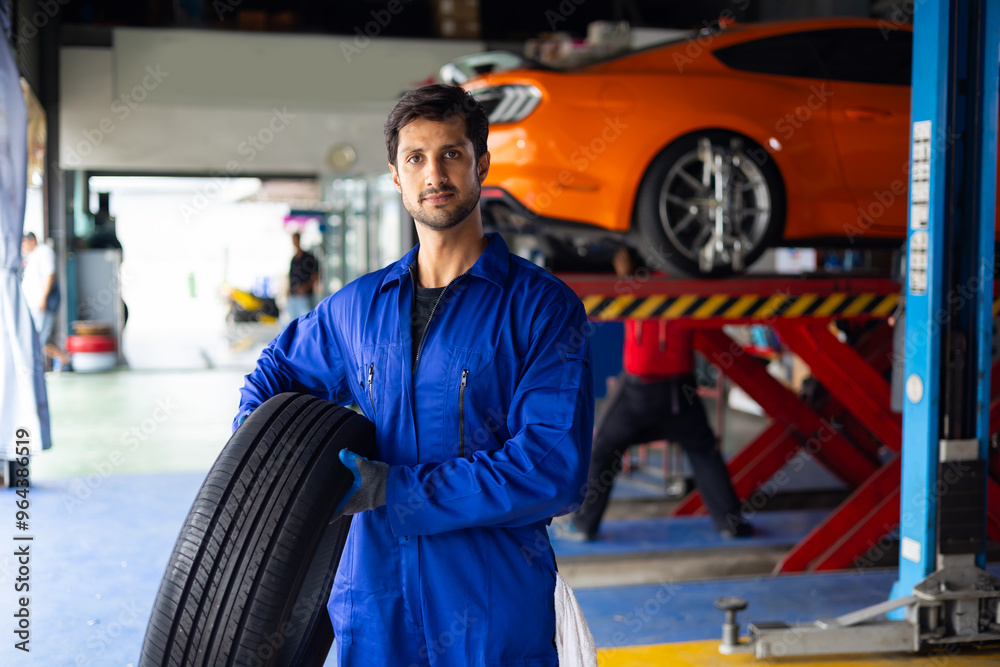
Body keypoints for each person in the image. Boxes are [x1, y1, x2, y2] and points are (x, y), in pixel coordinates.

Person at [234, 84, 594, 666]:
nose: (435, 173)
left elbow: (551, 468)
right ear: (397, 177)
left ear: (481, 164)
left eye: (452, 153)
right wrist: (266, 471)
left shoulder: (540, 308)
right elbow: (273, 374)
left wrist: (394, 489)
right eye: (416, 158)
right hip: (374, 602)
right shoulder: (358, 308)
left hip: (489, 603)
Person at [559, 247, 752, 541]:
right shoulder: (684, 287)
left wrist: (624, 274)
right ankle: (730, 523)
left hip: (639, 391)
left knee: (603, 450)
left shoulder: (636, 287)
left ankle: (584, 524)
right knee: (704, 452)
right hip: (680, 392)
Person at [21, 232, 71, 370]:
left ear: (33, 240)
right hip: (33, 305)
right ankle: (62, 358)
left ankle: (62, 358)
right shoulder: (31, 255)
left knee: (38, 339)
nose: (23, 246)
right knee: (37, 338)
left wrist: (43, 299)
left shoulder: (43, 251)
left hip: (41, 305)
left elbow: (50, 275)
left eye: (24, 242)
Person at [286, 231, 319, 320]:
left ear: (299, 240)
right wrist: (288, 290)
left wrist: (306, 287)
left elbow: (316, 275)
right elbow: (291, 276)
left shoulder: (308, 258)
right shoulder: (293, 259)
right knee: (292, 321)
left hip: (304, 297)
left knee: (306, 320)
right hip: (293, 296)